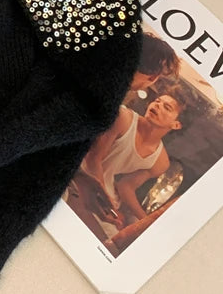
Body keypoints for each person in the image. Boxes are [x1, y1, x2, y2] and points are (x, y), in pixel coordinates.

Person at [81, 90, 189, 224]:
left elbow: (126, 187)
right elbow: (93, 158)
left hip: (106, 194)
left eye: (166, 107)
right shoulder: (123, 118)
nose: (157, 105)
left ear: (176, 125)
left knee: (116, 229)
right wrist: (105, 199)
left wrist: (146, 221)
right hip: (80, 175)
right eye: (157, 101)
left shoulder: (160, 162)